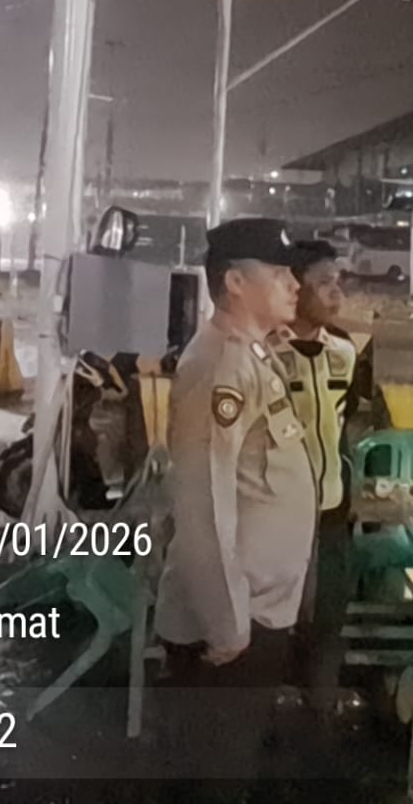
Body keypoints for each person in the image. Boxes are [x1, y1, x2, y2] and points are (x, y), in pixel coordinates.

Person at [154, 218, 316, 793]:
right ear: (235, 283)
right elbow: (202, 497)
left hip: (258, 609)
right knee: (215, 779)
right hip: (231, 620)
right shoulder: (220, 364)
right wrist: (224, 621)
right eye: (278, 273)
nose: (294, 284)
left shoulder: (253, 355)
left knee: (231, 768)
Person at [271, 240, 361, 704]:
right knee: (274, 629)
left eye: (338, 283)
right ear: (294, 288)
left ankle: (319, 726)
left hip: (330, 515)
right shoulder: (263, 353)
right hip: (275, 518)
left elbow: (345, 424)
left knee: (327, 626)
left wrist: (348, 496)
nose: (335, 293)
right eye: (323, 283)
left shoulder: (345, 351)